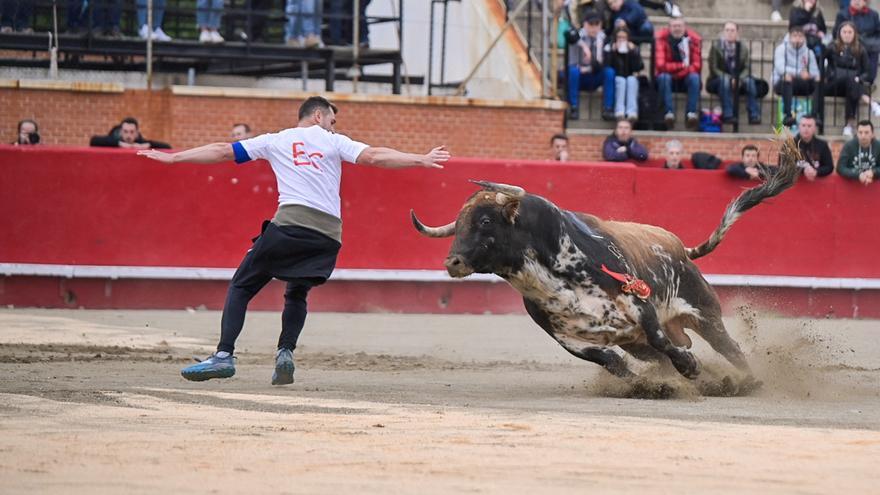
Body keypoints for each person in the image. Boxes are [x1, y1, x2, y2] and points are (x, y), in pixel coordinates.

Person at [137, 96, 449, 384]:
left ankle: (223, 356)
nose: (333, 126)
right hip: (328, 236)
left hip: (290, 225)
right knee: (297, 293)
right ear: (318, 116)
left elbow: (221, 151)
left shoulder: (275, 140)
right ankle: (285, 352)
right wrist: (420, 159)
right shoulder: (334, 142)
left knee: (242, 285)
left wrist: (175, 158)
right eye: (332, 120)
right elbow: (377, 156)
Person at [825, 21, 880, 137]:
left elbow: (867, 72)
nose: (847, 34)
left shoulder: (860, 49)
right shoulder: (831, 47)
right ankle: (871, 103)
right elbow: (823, 64)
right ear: (839, 33)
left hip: (852, 85)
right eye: (844, 32)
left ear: (854, 34)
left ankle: (849, 126)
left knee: (852, 83)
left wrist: (859, 79)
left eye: (850, 32)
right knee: (850, 80)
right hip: (834, 85)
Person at [707, 21, 762, 125]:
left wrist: (738, 78)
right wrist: (729, 78)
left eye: (732, 30)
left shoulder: (743, 48)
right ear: (723, 32)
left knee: (750, 82)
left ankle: (754, 115)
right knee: (725, 80)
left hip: (738, 79)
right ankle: (728, 115)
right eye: (727, 30)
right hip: (718, 80)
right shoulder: (716, 47)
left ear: (737, 32)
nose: (729, 33)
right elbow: (713, 68)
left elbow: (747, 67)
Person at [566, 12, 615, 121]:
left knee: (609, 72)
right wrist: (584, 46)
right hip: (579, 76)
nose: (593, 28)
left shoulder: (604, 40)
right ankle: (574, 107)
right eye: (591, 25)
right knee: (573, 71)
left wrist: (589, 68)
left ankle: (608, 108)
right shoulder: (577, 36)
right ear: (585, 24)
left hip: (594, 74)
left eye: (596, 25)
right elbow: (569, 35)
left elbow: (602, 63)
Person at [655, 17, 702, 129]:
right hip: (668, 78)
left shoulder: (693, 40)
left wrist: (680, 72)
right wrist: (681, 66)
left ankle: (691, 113)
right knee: (664, 77)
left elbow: (696, 65)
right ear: (669, 28)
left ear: (685, 27)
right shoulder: (661, 39)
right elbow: (660, 65)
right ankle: (668, 113)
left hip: (685, 78)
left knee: (694, 78)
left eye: (679, 26)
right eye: (674, 26)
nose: (677, 29)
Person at [773, 26, 819, 127]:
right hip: (782, 83)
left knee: (817, 81)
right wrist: (799, 72)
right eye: (794, 36)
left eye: (800, 36)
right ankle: (788, 115)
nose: (797, 39)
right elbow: (781, 68)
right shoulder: (781, 49)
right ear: (789, 37)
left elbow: (815, 72)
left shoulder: (808, 52)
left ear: (804, 38)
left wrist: (809, 75)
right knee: (787, 77)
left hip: (802, 83)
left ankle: (815, 115)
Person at [834, 0, 880, 82]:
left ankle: (868, 79)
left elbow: (878, 33)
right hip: (849, 46)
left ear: (865, 2)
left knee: (874, 49)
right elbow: (836, 34)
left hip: (869, 45)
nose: (857, 1)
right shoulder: (842, 14)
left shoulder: (874, 15)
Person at [605, 26, 643, 121]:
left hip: (629, 75)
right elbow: (606, 65)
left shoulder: (633, 48)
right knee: (621, 81)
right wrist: (612, 52)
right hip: (617, 77)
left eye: (624, 37)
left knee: (632, 80)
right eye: (619, 37)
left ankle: (632, 112)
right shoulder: (609, 48)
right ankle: (619, 111)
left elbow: (638, 67)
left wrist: (633, 52)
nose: (621, 40)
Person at [837, 119, 880, 184]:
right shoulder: (849, 146)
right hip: (852, 186)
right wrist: (858, 175)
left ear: (872, 134)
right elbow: (840, 168)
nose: (863, 136)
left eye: (866, 132)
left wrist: (873, 172)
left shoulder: (878, 146)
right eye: (860, 132)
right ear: (857, 133)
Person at [793, 114, 834, 180]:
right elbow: (783, 167)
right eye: (803, 125)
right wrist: (803, 170)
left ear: (814, 128)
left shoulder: (822, 145)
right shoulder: (789, 145)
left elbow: (829, 167)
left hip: (818, 186)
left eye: (809, 126)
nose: (806, 129)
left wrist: (816, 172)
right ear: (799, 127)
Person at [89, 117, 171, 149]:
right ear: (121, 132)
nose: (128, 135)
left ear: (136, 133)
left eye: (132, 132)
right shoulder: (113, 138)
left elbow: (167, 147)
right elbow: (93, 141)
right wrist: (119, 144)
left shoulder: (139, 142)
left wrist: (149, 145)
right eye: (125, 132)